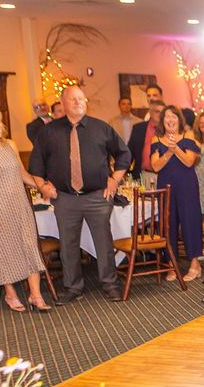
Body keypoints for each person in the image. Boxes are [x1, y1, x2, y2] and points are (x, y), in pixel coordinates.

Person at [29, 85, 131, 304]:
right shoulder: (49, 131)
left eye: (81, 99)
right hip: (65, 198)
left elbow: (124, 155)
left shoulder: (102, 128)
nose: (78, 102)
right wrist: (43, 186)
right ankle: (73, 287)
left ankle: (111, 284)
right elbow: (36, 163)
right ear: (63, 103)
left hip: (97, 196)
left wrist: (115, 179)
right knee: (68, 245)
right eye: (72, 99)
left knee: (104, 243)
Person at [0, 107, 52, 312]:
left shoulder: (10, 144)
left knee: (29, 246)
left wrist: (42, 186)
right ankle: (10, 293)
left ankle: (35, 295)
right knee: (5, 250)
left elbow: (23, 174)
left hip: (20, 205)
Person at [150, 106, 203, 282]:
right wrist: (168, 151)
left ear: (179, 120)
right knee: (168, 224)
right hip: (166, 187)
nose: (170, 120)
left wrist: (175, 148)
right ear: (162, 121)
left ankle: (195, 264)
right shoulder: (156, 139)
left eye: (174, 117)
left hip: (187, 186)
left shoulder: (188, 136)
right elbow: (155, 166)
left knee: (190, 221)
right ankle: (171, 264)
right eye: (167, 117)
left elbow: (189, 162)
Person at [127, 101, 163, 189]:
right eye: (157, 112)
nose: (160, 115)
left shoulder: (168, 129)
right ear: (150, 112)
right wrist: (123, 172)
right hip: (143, 175)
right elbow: (130, 152)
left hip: (163, 176)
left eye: (162, 112)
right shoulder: (139, 128)